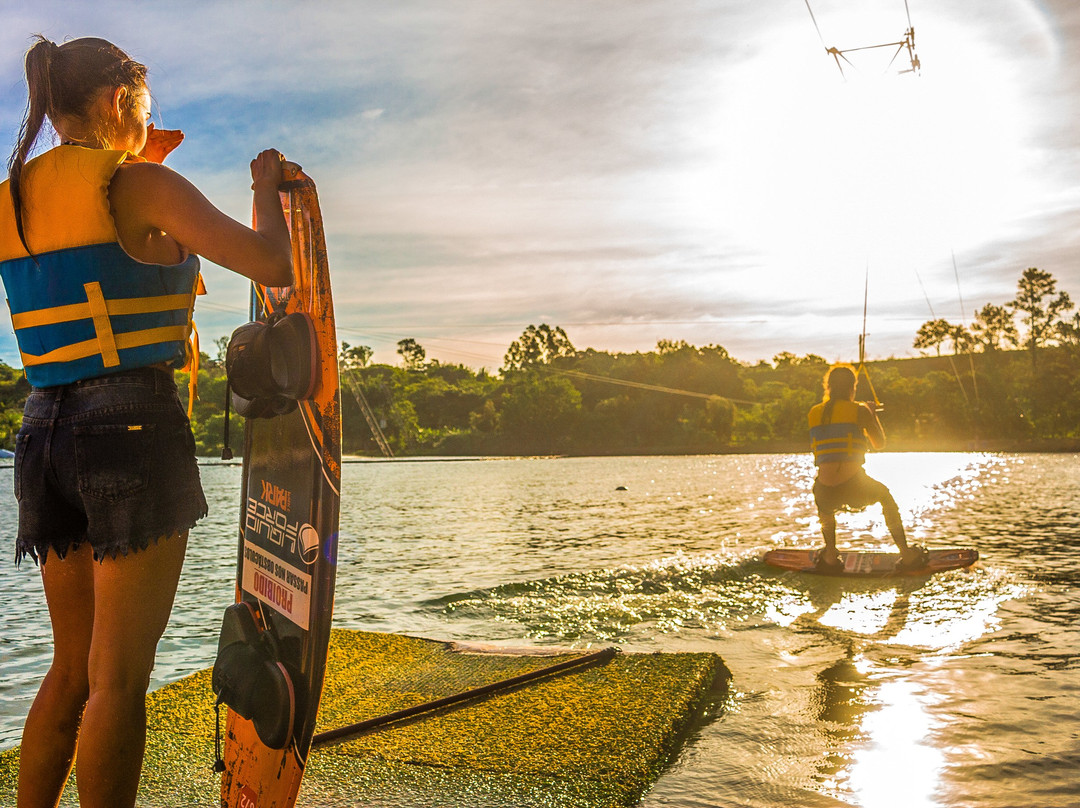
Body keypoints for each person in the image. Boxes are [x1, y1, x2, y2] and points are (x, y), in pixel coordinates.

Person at [1, 36, 293, 808]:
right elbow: (272, 263)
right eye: (142, 109)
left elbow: (88, 254)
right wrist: (266, 187)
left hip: (41, 429)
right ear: (116, 101)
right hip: (130, 425)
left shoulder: (13, 195)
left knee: (70, 671)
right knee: (119, 677)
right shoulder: (143, 184)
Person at [807, 364, 926, 572]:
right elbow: (879, 443)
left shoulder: (814, 412)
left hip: (824, 489)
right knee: (885, 497)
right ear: (852, 387)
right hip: (853, 486)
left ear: (828, 387)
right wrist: (872, 413)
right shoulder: (859, 410)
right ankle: (907, 556)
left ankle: (831, 555)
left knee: (825, 507)